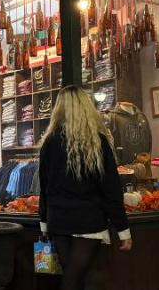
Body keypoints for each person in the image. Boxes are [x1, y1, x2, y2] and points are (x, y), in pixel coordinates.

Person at [39, 85, 131, 290]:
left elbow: (45, 188)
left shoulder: (49, 142)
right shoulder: (98, 142)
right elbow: (111, 190)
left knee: (73, 277)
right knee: (74, 278)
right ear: (86, 108)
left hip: (58, 220)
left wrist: (44, 222)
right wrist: (123, 230)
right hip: (88, 220)